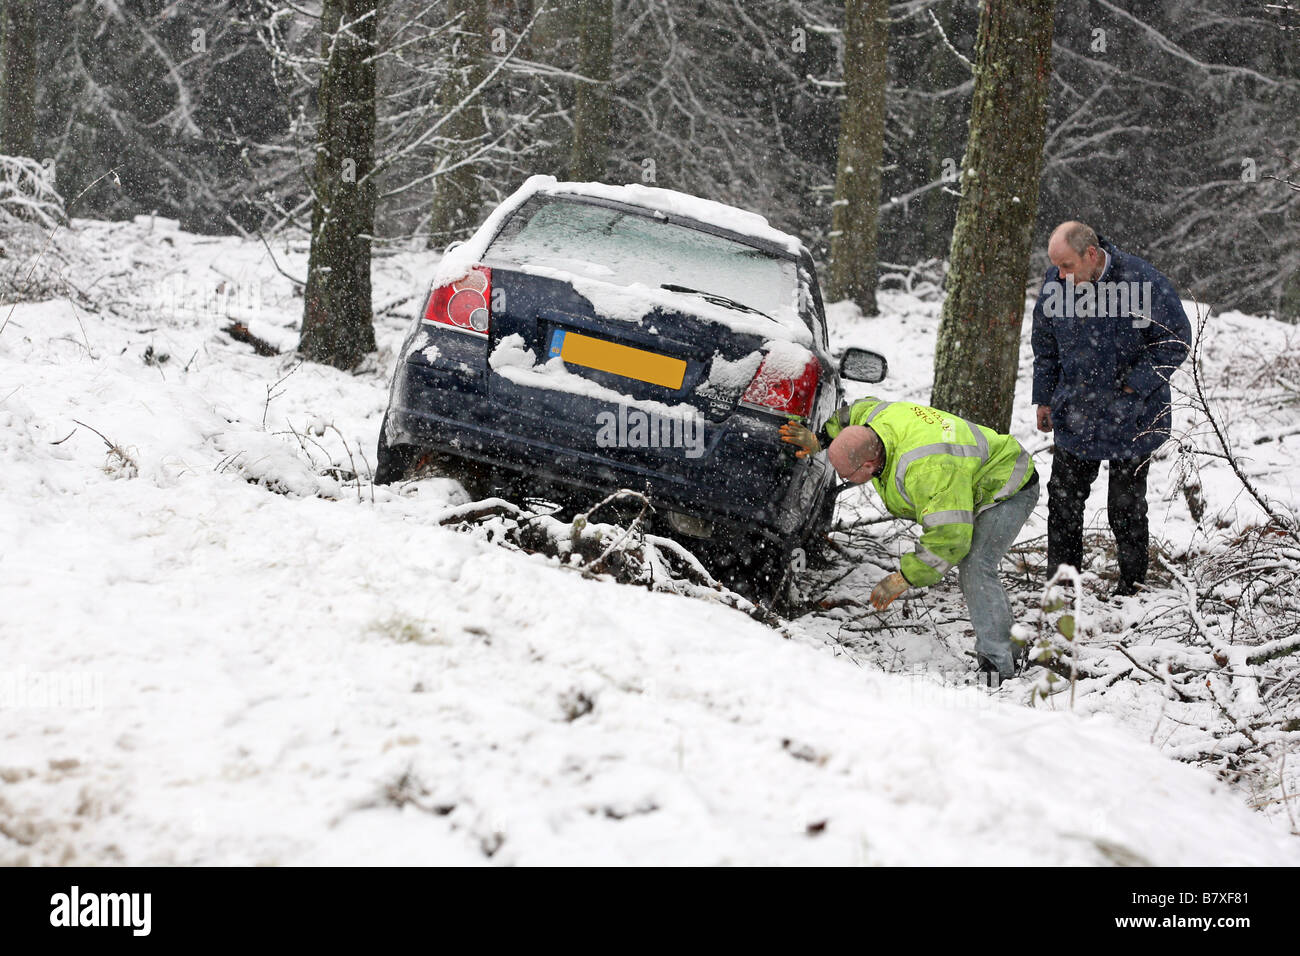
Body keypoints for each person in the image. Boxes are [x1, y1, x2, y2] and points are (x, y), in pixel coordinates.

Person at [781, 398, 1039, 684]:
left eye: (847, 476)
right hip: (967, 481)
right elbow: (852, 412)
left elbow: (950, 537)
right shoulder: (874, 419)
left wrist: (903, 578)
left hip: (1007, 484)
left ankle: (997, 668)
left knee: (976, 566)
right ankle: (1012, 646)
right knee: (975, 566)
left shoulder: (926, 470)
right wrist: (820, 439)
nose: (844, 479)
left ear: (868, 463)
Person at [1031, 222, 1191, 596]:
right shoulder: (1057, 284)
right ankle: (1063, 583)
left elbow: (1175, 340)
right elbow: (1046, 343)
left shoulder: (1141, 281)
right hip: (1075, 410)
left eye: (1067, 266)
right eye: (1056, 266)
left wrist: (1135, 383)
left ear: (1091, 254)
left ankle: (1132, 586)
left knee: (1127, 506)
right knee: (1064, 501)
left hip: (1131, 412)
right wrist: (1044, 397)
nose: (1060, 275)